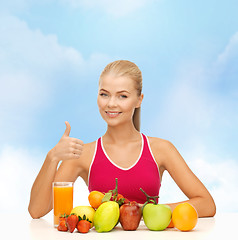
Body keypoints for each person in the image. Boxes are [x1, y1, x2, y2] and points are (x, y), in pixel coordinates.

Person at [28, 60, 216, 219]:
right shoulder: (83, 154)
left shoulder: (161, 149)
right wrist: (52, 157)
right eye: (104, 94)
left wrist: (144, 212)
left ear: (139, 100)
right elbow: (36, 211)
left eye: (122, 96)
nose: (111, 103)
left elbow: (207, 204)